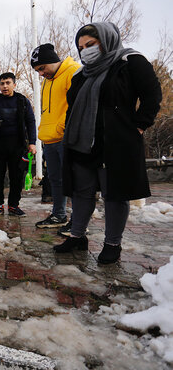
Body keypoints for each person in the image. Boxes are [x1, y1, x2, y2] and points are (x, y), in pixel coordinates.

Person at [53, 22, 162, 265]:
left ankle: (113, 243)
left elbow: (152, 94)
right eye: (81, 47)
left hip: (115, 143)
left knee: (114, 194)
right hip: (82, 143)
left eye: (90, 45)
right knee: (81, 192)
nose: (85, 51)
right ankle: (77, 236)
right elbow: (73, 106)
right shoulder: (82, 74)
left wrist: (139, 126)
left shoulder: (130, 62)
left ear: (106, 40)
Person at [31, 43, 81, 228]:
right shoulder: (47, 80)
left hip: (66, 138)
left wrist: (62, 129)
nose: (40, 74)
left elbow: (76, 107)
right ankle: (59, 215)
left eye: (42, 68)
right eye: (37, 70)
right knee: (55, 180)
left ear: (53, 61)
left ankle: (78, 222)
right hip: (49, 138)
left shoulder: (73, 71)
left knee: (73, 181)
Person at [0, 72, 37, 217]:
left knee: (16, 176)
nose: (5, 86)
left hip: (18, 144)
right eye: (2, 83)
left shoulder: (22, 100)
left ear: (14, 84)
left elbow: (31, 122)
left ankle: (14, 205)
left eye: (8, 83)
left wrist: (32, 143)